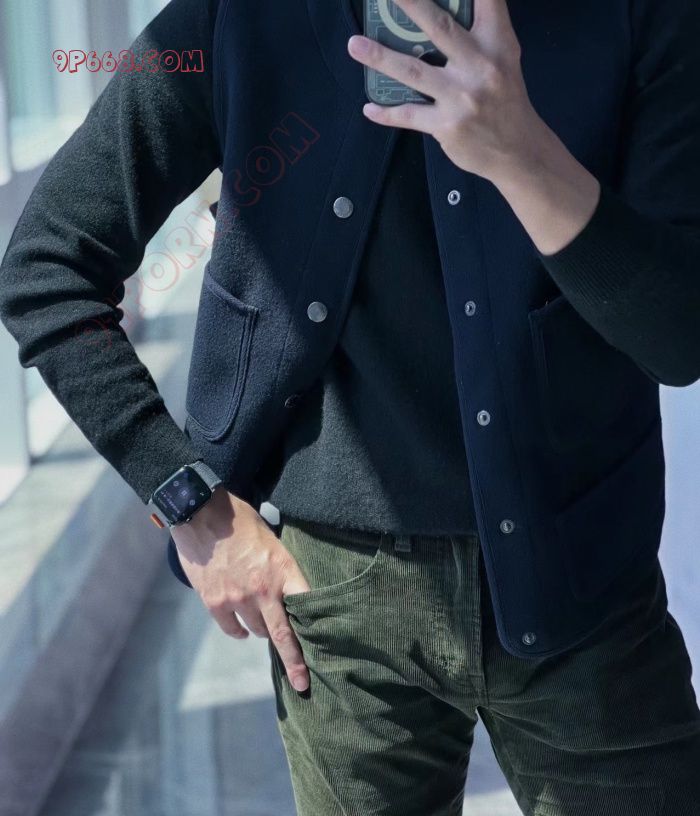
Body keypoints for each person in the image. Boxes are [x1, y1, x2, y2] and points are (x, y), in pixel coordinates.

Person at [1, 0, 700, 812]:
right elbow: (47, 268)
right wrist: (191, 507)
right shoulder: (239, 17)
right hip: (337, 610)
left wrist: (522, 154)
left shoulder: (642, 16)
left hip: (589, 588)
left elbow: (679, 340)